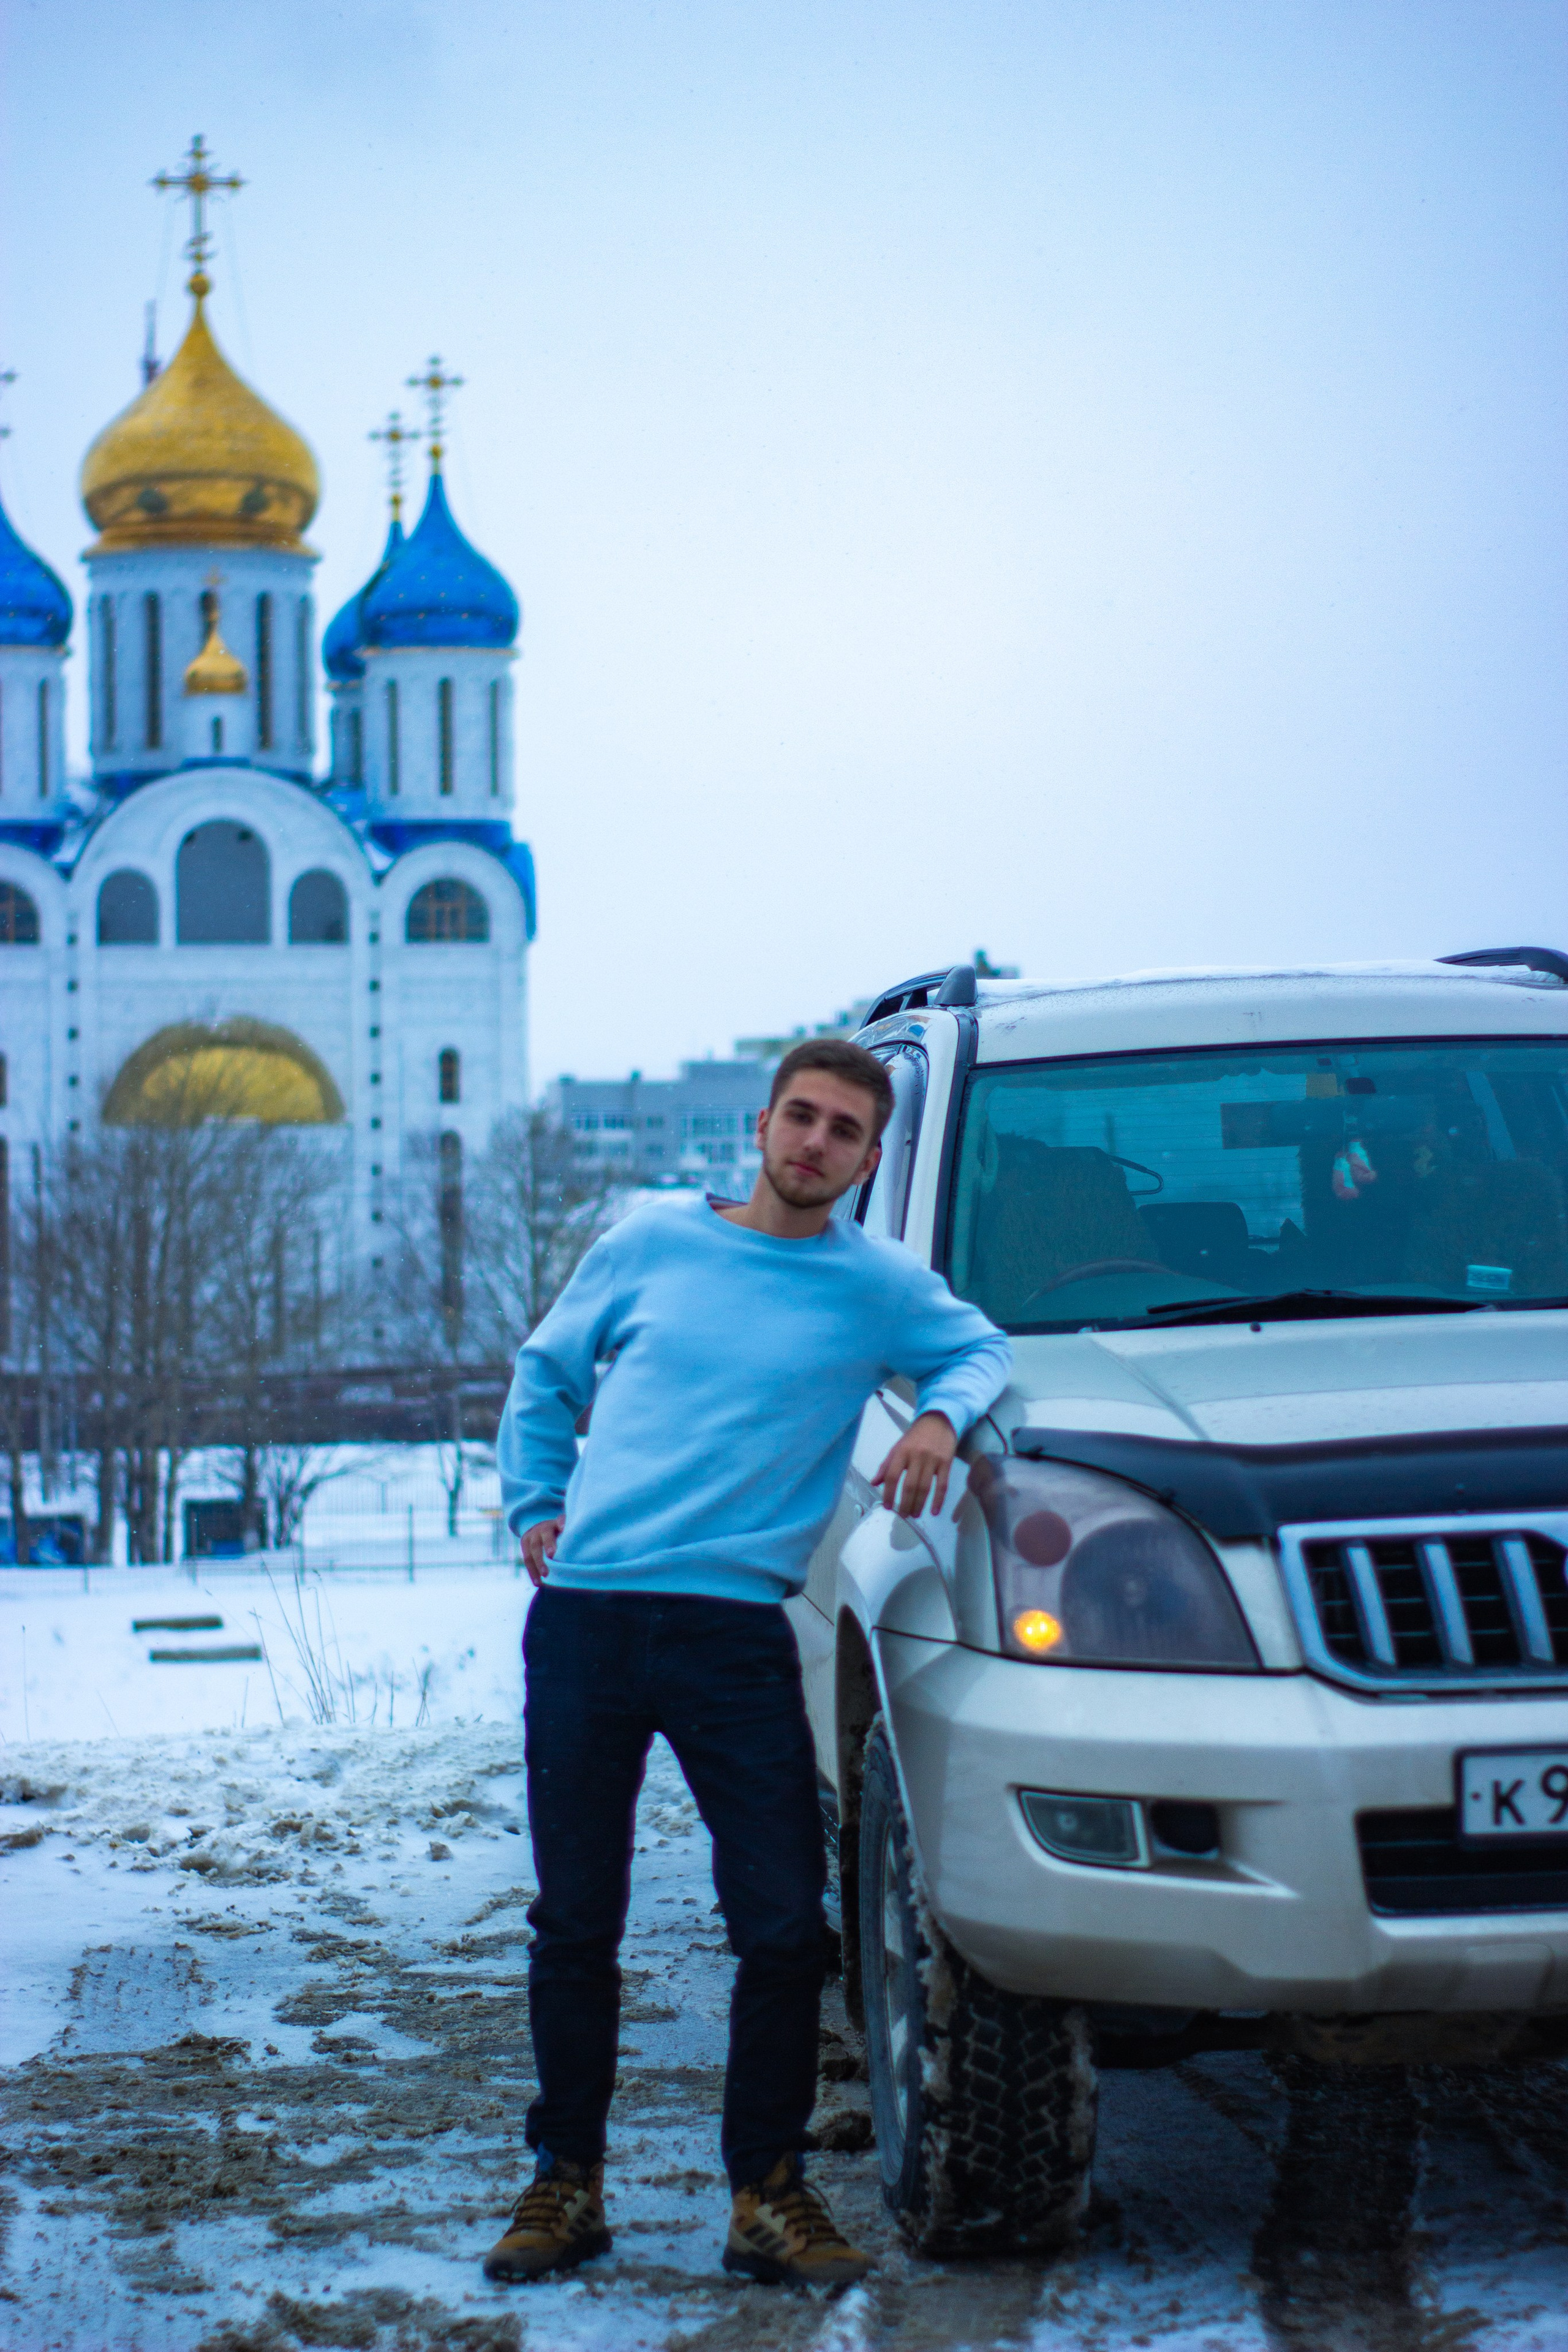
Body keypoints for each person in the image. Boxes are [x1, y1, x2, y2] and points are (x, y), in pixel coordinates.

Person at [485, 1038, 1012, 2288]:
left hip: (732, 1636)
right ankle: (566, 2182)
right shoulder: (651, 1244)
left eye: (843, 1131)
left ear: (869, 1158)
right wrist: (530, 1503)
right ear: (762, 1125)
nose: (814, 1143)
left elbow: (979, 1346)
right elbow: (543, 1374)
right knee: (576, 1922)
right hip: (590, 1622)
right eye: (800, 1117)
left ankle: (766, 2192)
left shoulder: (876, 1287)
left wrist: (939, 1415)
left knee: (783, 1929)